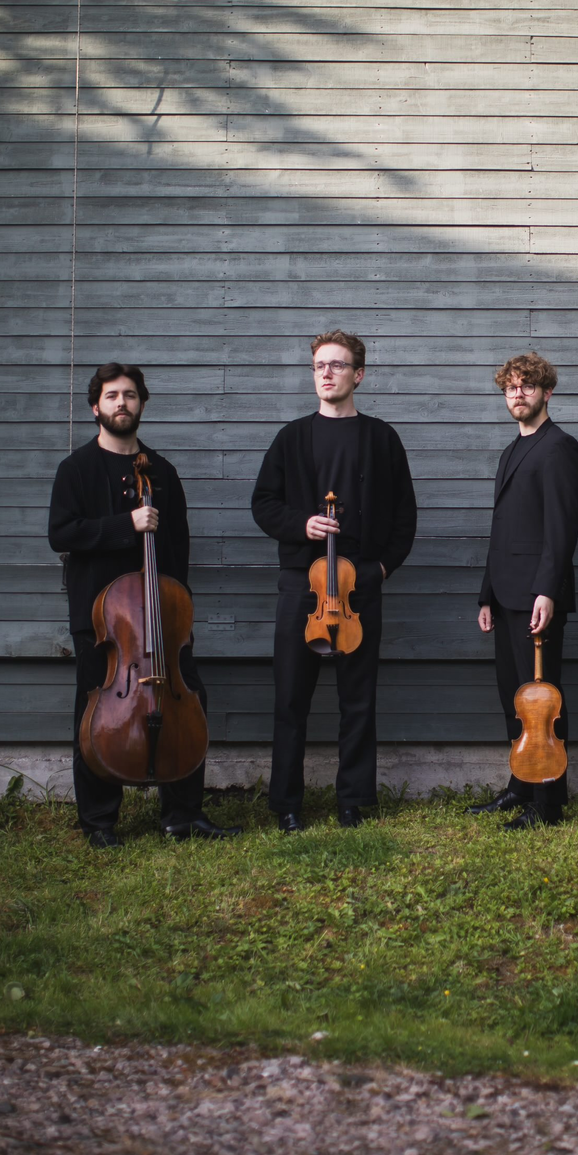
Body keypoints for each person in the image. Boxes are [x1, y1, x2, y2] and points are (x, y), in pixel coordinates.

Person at [48, 363, 242, 848]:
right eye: (112, 395)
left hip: (162, 619)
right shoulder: (76, 470)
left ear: (141, 404)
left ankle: (183, 814)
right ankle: (99, 821)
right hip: (102, 621)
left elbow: (178, 549)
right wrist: (125, 524)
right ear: (96, 407)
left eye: (130, 395)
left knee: (189, 698)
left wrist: (180, 615)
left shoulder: (162, 472)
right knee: (94, 714)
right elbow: (62, 533)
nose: (121, 403)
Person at [251, 330, 417, 832]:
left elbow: (405, 517)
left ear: (358, 375)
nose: (326, 373)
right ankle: (287, 803)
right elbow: (263, 504)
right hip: (300, 584)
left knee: (358, 698)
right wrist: (302, 524)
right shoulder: (291, 437)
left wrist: (381, 570)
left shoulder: (381, 437)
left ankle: (352, 800)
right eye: (319, 365)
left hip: (358, 586)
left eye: (338, 365)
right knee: (290, 698)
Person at [471, 352, 578, 829]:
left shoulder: (559, 447)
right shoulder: (513, 448)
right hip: (506, 594)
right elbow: (504, 531)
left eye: (527, 386)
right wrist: (486, 594)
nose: (517, 394)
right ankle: (520, 787)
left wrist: (547, 591)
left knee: (542, 704)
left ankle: (548, 805)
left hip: (537, 597)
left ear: (547, 393)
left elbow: (561, 530)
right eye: (510, 387)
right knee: (512, 699)